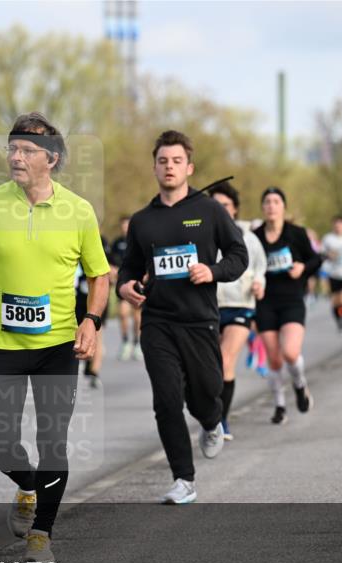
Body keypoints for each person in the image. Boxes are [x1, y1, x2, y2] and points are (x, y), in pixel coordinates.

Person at [0, 112, 109, 563]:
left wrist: (91, 320)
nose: (15, 156)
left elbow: (99, 276)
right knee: (0, 443)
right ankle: (27, 484)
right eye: (11, 148)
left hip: (57, 344)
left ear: (51, 159)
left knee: (52, 438)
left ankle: (42, 533)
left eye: (25, 150)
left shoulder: (78, 211)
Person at [118, 131, 247, 505]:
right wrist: (125, 287)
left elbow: (239, 255)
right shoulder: (142, 221)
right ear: (155, 167)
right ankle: (183, 479)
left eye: (176, 161)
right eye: (162, 161)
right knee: (167, 399)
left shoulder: (209, 210)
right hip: (158, 322)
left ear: (189, 167)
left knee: (205, 394)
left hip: (200, 321)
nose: (169, 167)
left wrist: (213, 271)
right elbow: (127, 270)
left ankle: (211, 421)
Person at [255, 186, 321, 425]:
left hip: (292, 299)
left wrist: (303, 268)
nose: (271, 206)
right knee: (273, 360)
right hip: (265, 303)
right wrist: (254, 282)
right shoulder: (255, 237)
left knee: (290, 352)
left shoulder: (296, 233)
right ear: (262, 208)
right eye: (267, 202)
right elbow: (247, 266)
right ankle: (279, 405)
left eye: (276, 201)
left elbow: (316, 259)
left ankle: (300, 385)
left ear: (283, 207)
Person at [210, 181, 265, 441]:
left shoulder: (249, 239)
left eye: (226, 206)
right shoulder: (201, 234)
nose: (220, 210)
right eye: (216, 205)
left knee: (225, 359)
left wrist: (258, 284)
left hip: (240, 307)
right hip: (208, 307)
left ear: (235, 210)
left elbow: (260, 269)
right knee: (213, 367)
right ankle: (214, 415)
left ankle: (221, 420)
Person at [74, 232, 111, 389]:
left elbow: (108, 270)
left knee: (96, 335)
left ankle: (95, 372)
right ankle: (83, 365)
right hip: (75, 299)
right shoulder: (69, 236)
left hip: (94, 298)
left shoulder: (100, 240)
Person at [109, 215, 142, 361]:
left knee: (137, 315)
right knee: (123, 313)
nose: (125, 228)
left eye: (127, 225)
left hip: (137, 282)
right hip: (122, 282)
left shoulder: (138, 240)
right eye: (123, 225)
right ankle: (125, 341)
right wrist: (113, 270)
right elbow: (108, 262)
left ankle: (137, 343)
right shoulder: (116, 243)